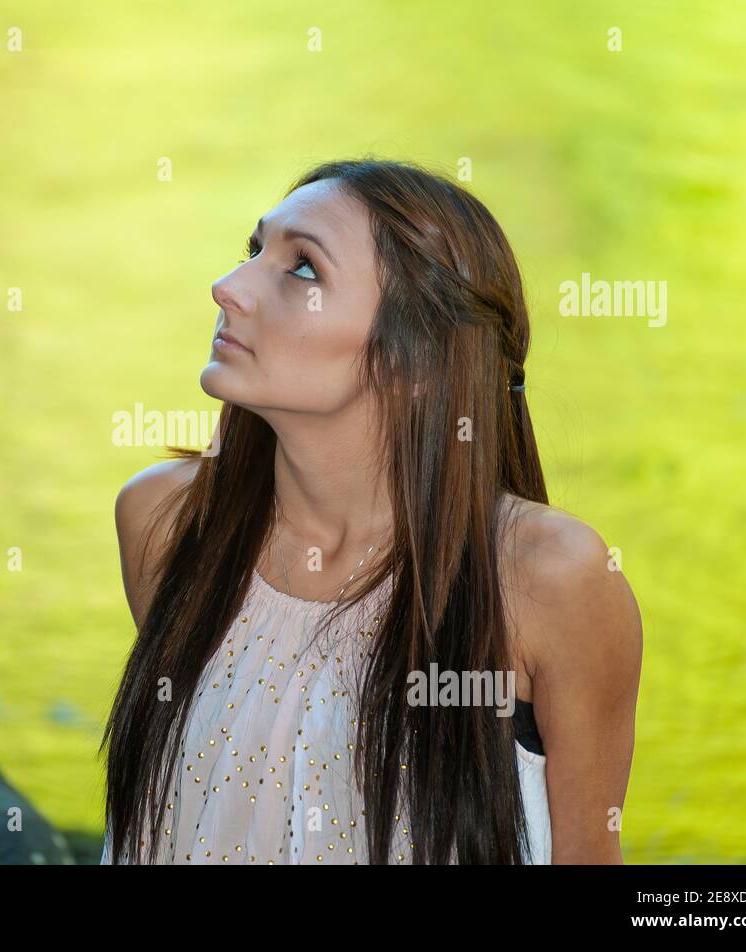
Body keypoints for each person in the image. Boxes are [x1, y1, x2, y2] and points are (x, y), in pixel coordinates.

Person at [99, 158, 642, 864]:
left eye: (302, 271)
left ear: (413, 362)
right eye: (254, 250)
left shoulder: (550, 580)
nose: (228, 288)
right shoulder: (166, 523)